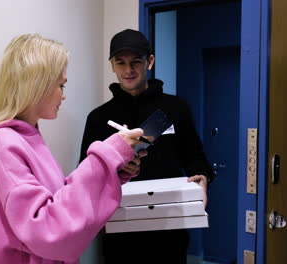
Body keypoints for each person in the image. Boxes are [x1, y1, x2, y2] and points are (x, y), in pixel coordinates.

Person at [0, 33, 147, 264]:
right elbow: (47, 230)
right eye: (60, 85)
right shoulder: (3, 143)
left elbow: (58, 198)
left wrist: (111, 172)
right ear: (37, 85)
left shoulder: (28, 136)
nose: (64, 94)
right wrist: (107, 156)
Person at [79, 29, 214, 264]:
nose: (128, 70)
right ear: (112, 65)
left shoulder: (176, 108)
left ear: (150, 61)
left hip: (169, 228)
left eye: (136, 62)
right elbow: (86, 171)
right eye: (120, 62)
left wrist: (202, 176)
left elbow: (195, 156)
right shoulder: (99, 118)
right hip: (120, 229)